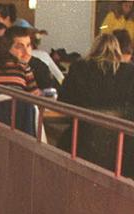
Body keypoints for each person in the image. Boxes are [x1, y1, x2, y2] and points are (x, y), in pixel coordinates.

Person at [58, 33, 134, 174]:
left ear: (93, 48)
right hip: (122, 149)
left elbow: (63, 101)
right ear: (117, 51)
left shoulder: (78, 67)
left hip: (81, 141)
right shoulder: (130, 72)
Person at [9, 24, 59, 94]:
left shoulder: (39, 66)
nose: (26, 51)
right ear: (7, 48)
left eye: (28, 45)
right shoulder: (3, 67)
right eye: (20, 47)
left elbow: (50, 93)